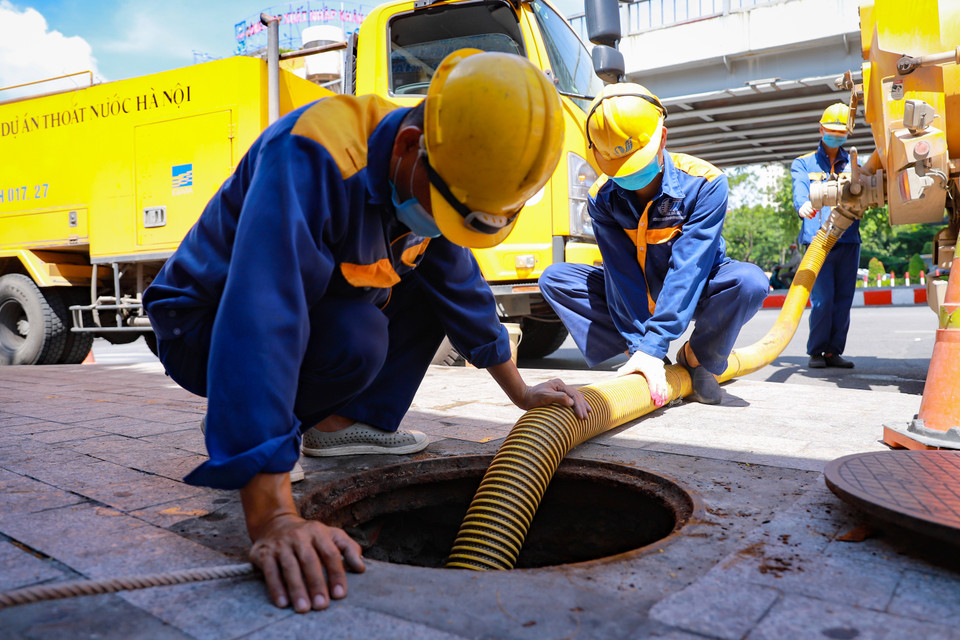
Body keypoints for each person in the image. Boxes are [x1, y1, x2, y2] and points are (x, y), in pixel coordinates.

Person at [143, 50, 589, 614]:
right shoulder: (312, 155)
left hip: (299, 309)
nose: (441, 229)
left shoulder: (447, 168)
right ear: (408, 148)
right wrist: (274, 516)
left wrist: (522, 392)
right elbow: (264, 319)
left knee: (427, 295)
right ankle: (252, 430)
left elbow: (464, 292)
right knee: (358, 334)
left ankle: (335, 424)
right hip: (204, 328)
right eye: (445, 213)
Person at [539, 83, 768, 407]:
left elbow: (689, 268)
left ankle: (697, 357)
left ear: (662, 139)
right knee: (556, 279)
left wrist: (655, 343)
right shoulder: (601, 197)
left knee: (749, 282)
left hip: (699, 283)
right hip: (642, 288)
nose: (627, 176)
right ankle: (641, 356)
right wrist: (644, 352)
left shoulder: (705, 184)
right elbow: (622, 277)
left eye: (634, 163)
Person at [790, 103, 860, 369]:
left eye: (840, 132)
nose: (835, 135)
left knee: (843, 300)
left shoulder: (855, 163)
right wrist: (802, 206)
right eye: (830, 130)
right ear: (821, 129)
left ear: (847, 133)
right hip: (817, 240)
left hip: (848, 239)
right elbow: (799, 190)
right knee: (822, 299)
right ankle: (817, 351)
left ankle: (834, 352)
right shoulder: (803, 163)